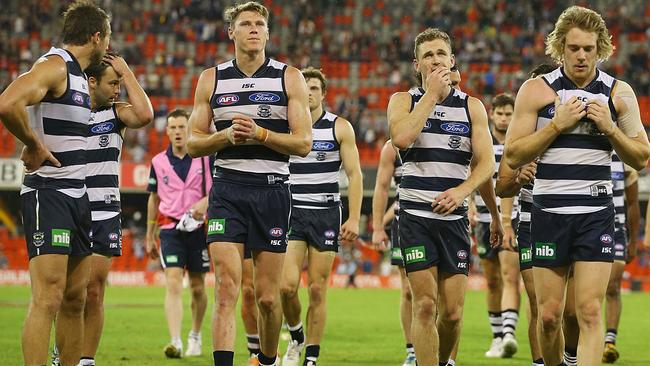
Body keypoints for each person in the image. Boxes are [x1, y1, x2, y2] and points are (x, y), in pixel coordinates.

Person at [503, 6, 650, 366]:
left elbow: (642, 157)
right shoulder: (536, 91)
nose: (581, 55)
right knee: (550, 316)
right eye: (573, 48)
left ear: (601, 48)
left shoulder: (618, 94)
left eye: (588, 48)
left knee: (588, 312)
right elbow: (512, 155)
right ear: (560, 48)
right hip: (549, 213)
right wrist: (556, 126)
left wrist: (611, 129)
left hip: (595, 215)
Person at [185, 2, 312, 365]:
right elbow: (193, 143)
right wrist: (226, 137)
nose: (254, 29)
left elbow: (303, 143)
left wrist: (259, 133)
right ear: (232, 32)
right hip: (227, 191)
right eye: (246, 23)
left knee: (268, 298)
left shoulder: (289, 77)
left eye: (260, 23)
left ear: (268, 33)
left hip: (272, 190)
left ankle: (267, 360)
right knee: (227, 288)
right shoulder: (211, 78)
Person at [0, 2, 110, 365]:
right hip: (49, 194)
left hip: (78, 197)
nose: (108, 47)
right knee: (48, 298)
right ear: (96, 36)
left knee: (75, 299)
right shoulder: (55, 65)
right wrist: (32, 143)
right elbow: (8, 102)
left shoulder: (78, 74)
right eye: (107, 39)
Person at [387, 28, 502, 366]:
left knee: (451, 314)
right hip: (414, 218)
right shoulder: (403, 101)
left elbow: (486, 165)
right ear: (416, 65)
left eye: (441, 54)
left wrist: (462, 193)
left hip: (453, 221)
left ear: (452, 60)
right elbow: (403, 138)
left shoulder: (472, 107)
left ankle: (443, 361)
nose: (435, 60)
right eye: (428, 55)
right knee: (425, 305)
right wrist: (432, 96)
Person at [280, 67, 363, 366]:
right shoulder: (286, 127)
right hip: (291, 212)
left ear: (323, 94)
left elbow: (354, 175)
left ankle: (311, 357)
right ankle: (296, 334)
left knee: (317, 289)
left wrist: (353, 218)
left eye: (315, 88)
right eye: (305, 87)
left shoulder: (340, 127)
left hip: (326, 213)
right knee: (286, 286)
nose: (310, 92)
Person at [80, 53, 153, 366]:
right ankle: (62, 350)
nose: (118, 88)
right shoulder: (71, 113)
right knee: (70, 293)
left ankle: (86, 360)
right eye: (113, 82)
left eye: (120, 83)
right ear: (92, 82)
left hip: (105, 210)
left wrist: (126, 71)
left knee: (94, 291)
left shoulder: (117, 113)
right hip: (71, 208)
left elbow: (145, 114)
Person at [495, 63, 557, 366]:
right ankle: (539, 361)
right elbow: (503, 186)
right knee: (540, 306)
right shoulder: (521, 137)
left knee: (571, 310)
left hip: (572, 218)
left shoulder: (572, 121)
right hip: (531, 220)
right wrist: (507, 221)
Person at [145, 109, 212, 358]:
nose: (177, 132)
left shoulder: (205, 159)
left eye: (182, 127)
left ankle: (195, 334)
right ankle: (175, 341)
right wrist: (149, 233)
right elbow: (153, 198)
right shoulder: (158, 162)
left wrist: (204, 203)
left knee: (197, 287)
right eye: (172, 128)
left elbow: (218, 191)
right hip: (170, 228)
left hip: (198, 229)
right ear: (167, 131)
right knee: (173, 281)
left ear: (189, 129)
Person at [472, 93, 521, 358]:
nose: (504, 118)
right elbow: (470, 173)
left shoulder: (518, 141)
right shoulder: (482, 141)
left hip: (511, 219)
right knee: (491, 281)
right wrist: (469, 205)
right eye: (500, 114)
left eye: (508, 114)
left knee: (509, 276)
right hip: (481, 219)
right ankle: (497, 336)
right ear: (492, 114)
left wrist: (505, 219)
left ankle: (510, 334)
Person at [371, 140, 416, 366]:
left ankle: (436, 345)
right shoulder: (392, 148)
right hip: (405, 223)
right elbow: (381, 186)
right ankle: (412, 350)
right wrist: (378, 227)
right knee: (408, 290)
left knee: (437, 294)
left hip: (442, 220)